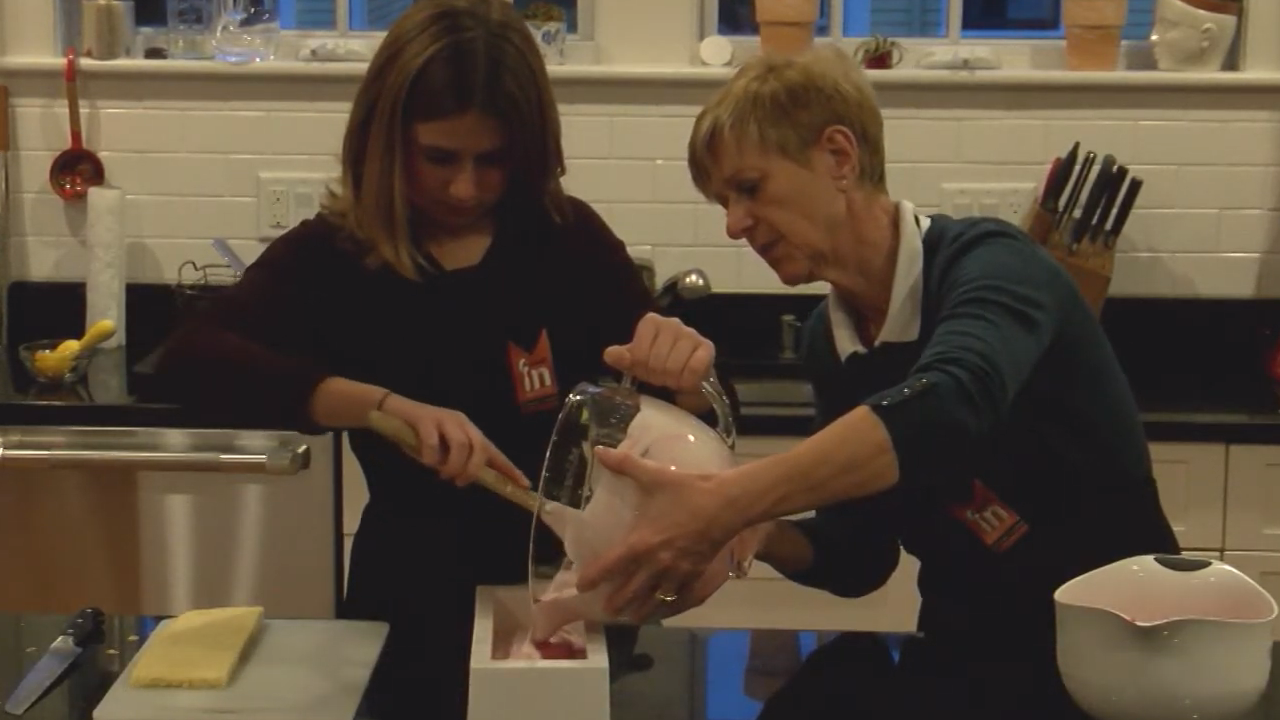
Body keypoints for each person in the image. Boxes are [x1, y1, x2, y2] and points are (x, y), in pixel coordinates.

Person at [576, 47, 1180, 717]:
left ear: (839, 156)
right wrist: (758, 533)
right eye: (724, 201)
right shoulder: (828, 344)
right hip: (968, 654)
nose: (733, 223)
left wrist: (727, 501)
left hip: (1124, 658)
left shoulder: (995, 266)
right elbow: (859, 556)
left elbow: (948, 405)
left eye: (749, 188)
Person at [151, 2, 714, 718]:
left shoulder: (564, 241)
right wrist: (378, 408)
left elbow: (683, 416)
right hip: (407, 612)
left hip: (571, 596)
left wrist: (688, 381)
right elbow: (190, 361)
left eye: (494, 160)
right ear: (386, 144)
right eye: (440, 158)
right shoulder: (338, 257)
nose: (466, 188)